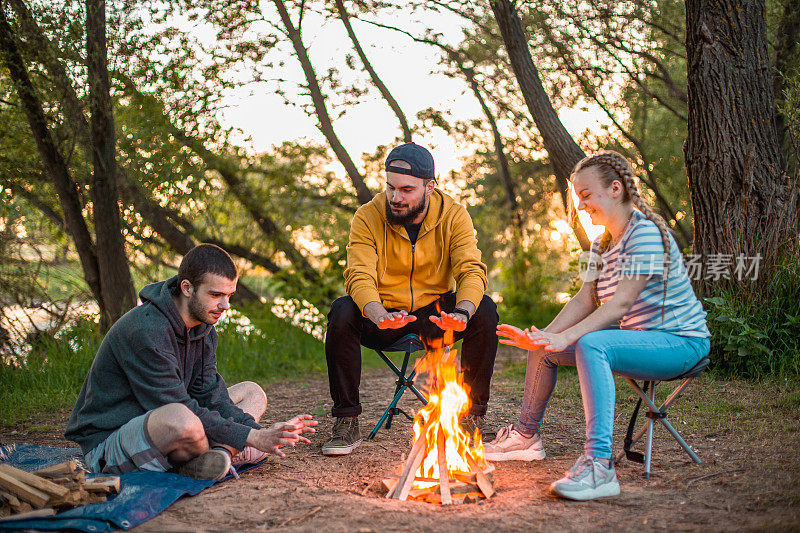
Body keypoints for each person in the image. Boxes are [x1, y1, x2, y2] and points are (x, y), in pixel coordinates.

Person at [486, 150, 710, 501]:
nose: (581, 204)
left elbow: (620, 303)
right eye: (578, 198)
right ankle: (525, 438)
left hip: (680, 342)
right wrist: (546, 336)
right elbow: (584, 299)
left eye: (586, 195)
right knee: (543, 346)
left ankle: (599, 466)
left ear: (616, 189)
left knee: (594, 344)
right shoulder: (599, 244)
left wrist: (567, 337)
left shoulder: (646, 234)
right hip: (640, 340)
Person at [65, 244, 317, 480]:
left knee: (252, 392)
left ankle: (218, 456)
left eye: (229, 295)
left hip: (177, 421)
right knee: (183, 420)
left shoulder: (203, 329)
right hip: (111, 441)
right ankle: (223, 452)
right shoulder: (146, 331)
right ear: (187, 288)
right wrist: (253, 437)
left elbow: (212, 396)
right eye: (216, 294)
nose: (225, 305)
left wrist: (257, 432)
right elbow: (176, 405)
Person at [322, 142, 499, 456]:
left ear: (430, 186)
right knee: (341, 310)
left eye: (406, 189)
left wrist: (462, 311)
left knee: (484, 309)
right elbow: (358, 273)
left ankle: (472, 416)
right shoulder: (368, 216)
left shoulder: (454, 215)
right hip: (383, 314)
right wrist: (376, 312)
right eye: (390, 187)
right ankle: (346, 421)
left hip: (435, 316)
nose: (395, 197)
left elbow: (471, 269)